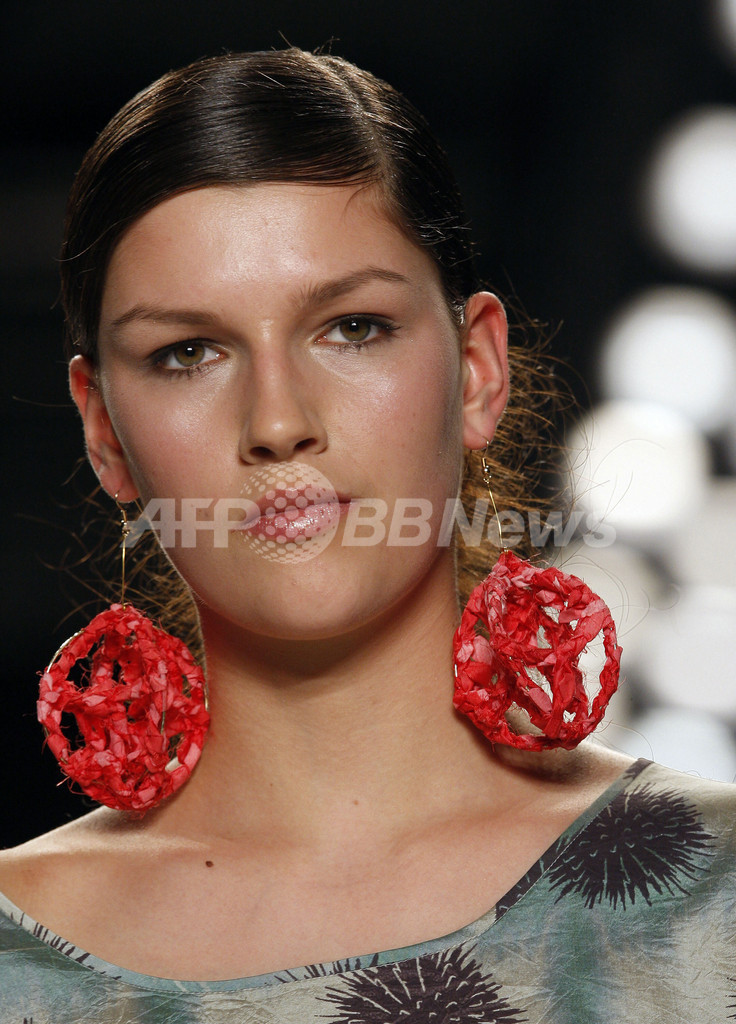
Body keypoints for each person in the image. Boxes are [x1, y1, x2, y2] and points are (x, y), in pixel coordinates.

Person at [0, 48, 734, 1023]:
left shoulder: (717, 898)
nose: (277, 420)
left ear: (477, 371)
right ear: (103, 432)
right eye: (189, 352)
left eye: (351, 327)